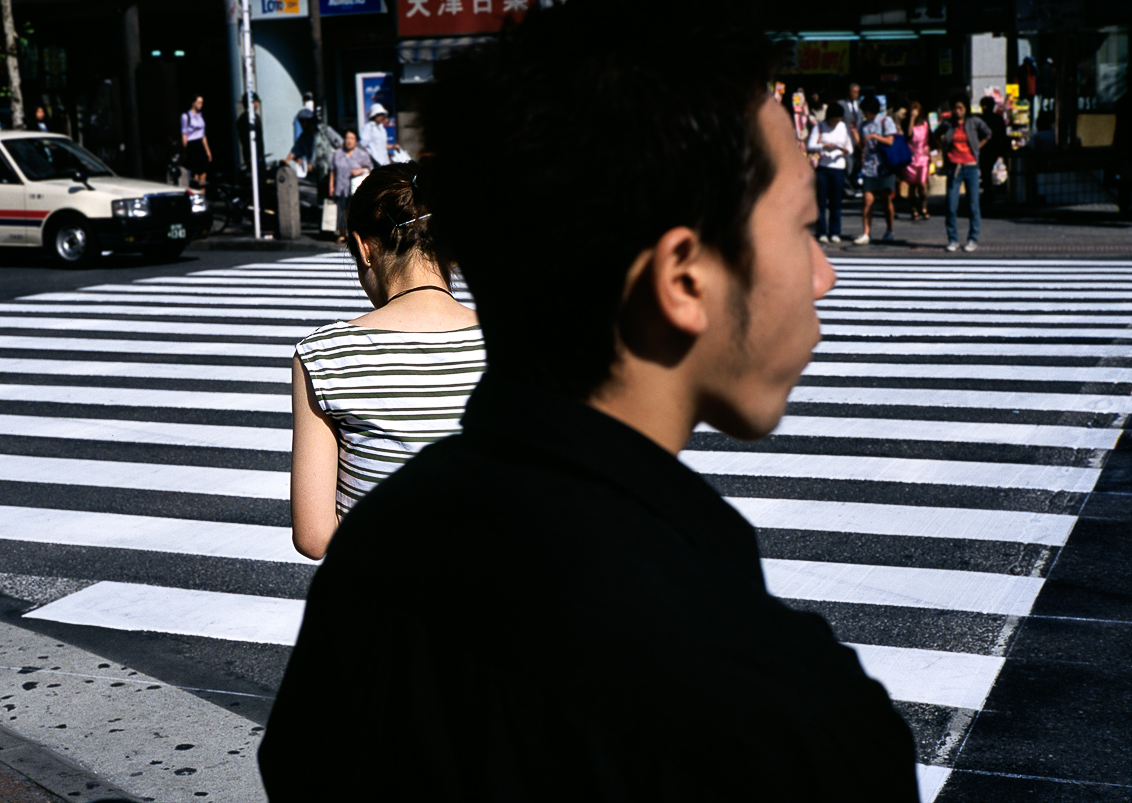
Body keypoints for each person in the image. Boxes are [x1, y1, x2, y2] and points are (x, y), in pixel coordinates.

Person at [258, 2, 918, 799]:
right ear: (683, 278)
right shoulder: (784, 707)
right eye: (805, 228)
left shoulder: (368, 574)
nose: (825, 274)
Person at [290, 163, 484, 561]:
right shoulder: (510, 341)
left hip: (382, 607)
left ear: (364, 248)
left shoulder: (325, 354)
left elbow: (314, 536)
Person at [934, 92, 991, 252]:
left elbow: (988, 133)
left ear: (966, 108)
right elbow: (936, 134)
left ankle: (973, 238)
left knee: (974, 204)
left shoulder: (974, 122)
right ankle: (953, 239)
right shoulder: (948, 124)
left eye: (960, 108)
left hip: (971, 165)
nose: (957, 111)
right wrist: (942, 149)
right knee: (951, 205)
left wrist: (978, 148)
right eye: (955, 108)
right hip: (954, 166)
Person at [853, 94, 897, 245]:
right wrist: (855, 135)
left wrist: (875, 137)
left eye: (866, 110)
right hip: (868, 167)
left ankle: (890, 229)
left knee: (886, 200)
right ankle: (866, 232)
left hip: (884, 166)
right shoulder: (863, 125)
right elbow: (861, 147)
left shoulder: (885, 120)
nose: (864, 113)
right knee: (867, 200)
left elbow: (890, 141)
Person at [807, 99, 852, 243]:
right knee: (821, 202)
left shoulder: (843, 127)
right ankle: (821, 232)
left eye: (838, 120)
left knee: (836, 202)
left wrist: (842, 149)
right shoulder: (819, 127)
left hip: (838, 167)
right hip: (823, 168)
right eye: (834, 120)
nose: (836, 123)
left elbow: (849, 148)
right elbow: (810, 145)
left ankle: (835, 232)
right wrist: (824, 146)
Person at [330, 129, 373, 242]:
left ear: (356, 141)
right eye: (347, 138)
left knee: (353, 212)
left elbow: (370, 169)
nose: (349, 141)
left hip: (354, 188)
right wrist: (331, 186)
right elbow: (332, 170)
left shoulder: (362, 154)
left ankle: (354, 235)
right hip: (340, 187)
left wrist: (360, 170)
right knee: (341, 211)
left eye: (351, 138)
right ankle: (342, 234)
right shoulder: (338, 153)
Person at [901, 100, 932, 220]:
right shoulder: (906, 122)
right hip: (911, 157)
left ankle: (923, 206)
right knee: (912, 184)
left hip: (923, 156)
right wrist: (912, 120)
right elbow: (908, 135)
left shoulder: (925, 122)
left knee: (922, 183)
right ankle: (913, 209)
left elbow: (930, 137)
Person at [977, 96, 1010, 208]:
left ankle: (988, 190)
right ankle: (990, 190)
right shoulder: (997, 118)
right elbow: (1002, 134)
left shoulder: (979, 118)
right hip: (994, 148)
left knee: (985, 170)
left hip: (983, 148)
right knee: (987, 169)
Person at [180, 94, 211, 191]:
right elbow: (184, 134)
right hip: (192, 144)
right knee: (195, 173)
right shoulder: (186, 116)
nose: (200, 105)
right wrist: (185, 150)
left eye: (201, 103)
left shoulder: (201, 116)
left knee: (203, 172)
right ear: (193, 103)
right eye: (198, 102)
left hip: (200, 144)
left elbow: (203, 135)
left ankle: (203, 195)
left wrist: (208, 151)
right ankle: (195, 194)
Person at [840, 82, 864, 193]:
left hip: (858, 138)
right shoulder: (841, 104)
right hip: (847, 137)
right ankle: (847, 188)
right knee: (848, 164)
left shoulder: (860, 104)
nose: (856, 94)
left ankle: (855, 185)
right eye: (854, 92)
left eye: (858, 92)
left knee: (857, 164)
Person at [284, 107, 316, 177]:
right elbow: (294, 151)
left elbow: (340, 143)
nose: (301, 125)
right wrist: (286, 160)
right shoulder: (303, 138)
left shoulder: (323, 131)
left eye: (302, 122)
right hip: (315, 173)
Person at [360, 102, 393, 167]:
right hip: (373, 162)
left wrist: (392, 147)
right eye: (379, 114)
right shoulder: (368, 127)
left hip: (383, 161)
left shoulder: (382, 128)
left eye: (382, 114)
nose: (381, 117)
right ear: (374, 115)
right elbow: (362, 145)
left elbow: (383, 145)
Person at [236, 92, 264, 170]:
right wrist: (249, 156)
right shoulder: (244, 119)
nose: (257, 104)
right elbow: (244, 139)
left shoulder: (256, 117)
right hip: (251, 155)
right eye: (255, 102)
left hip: (259, 154)